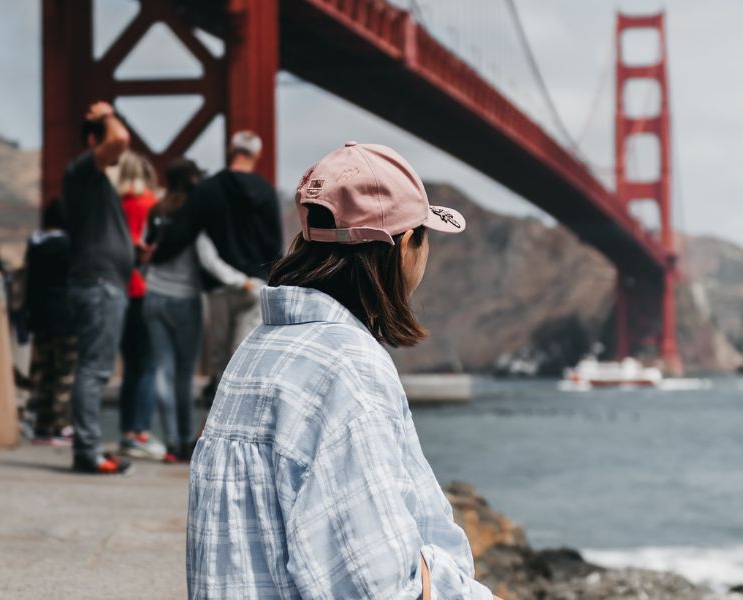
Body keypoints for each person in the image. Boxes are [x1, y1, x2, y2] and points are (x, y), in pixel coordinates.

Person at [186, 142, 496, 599]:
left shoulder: (255, 352)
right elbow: (377, 585)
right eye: (424, 236)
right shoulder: (348, 369)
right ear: (406, 245)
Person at [142, 158, 252, 463]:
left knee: (162, 370)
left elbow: (143, 249)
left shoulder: (155, 213)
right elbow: (208, 260)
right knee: (184, 375)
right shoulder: (191, 217)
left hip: (153, 298)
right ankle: (186, 440)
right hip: (185, 300)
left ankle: (170, 442)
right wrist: (242, 281)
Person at [150, 130, 282, 370]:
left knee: (218, 357)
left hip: (218, 286)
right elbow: (274, 243)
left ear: (230, 151)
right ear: (258, 154)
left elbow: (183, 231)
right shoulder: (266, 191)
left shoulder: (208, 189)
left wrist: (156, 255)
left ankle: (216, 398)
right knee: (244, 355)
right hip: (254, 284)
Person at [59, 100, 133, 475]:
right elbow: (120, 139)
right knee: (94, 370)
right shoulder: (81, 171)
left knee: (94, 368)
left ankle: (88, 449)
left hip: (103, 282)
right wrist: (105, 115)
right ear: (93, 140)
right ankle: (88, 452)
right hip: (99, 284)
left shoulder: (93, 180)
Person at [113, 151, 163, 459]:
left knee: (131, 365)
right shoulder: (151, 205)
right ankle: (141, 431)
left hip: (118, 290)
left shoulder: (116, 206)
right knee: (148, 364)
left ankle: (126, 432)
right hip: (145, 289)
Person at [24, 200, 76, 445]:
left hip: (41, 317)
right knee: (64, 374)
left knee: (44, 373)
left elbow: (29, 284)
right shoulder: (69, 246)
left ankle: (42, 426)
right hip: (66, 317)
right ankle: (61, 425)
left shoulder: (34, 245)